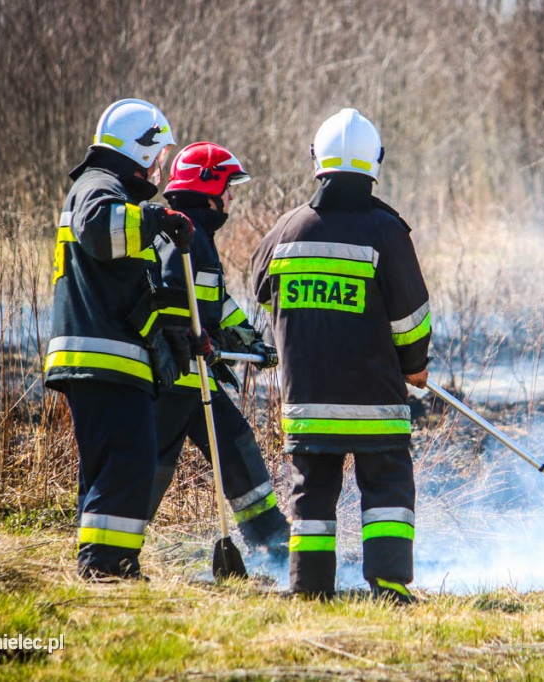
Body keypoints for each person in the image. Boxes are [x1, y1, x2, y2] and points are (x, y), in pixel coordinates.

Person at [250, 108, 432, 603]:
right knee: (388, 489)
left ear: (317, 160)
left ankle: (308, 588)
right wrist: (414, 363)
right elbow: (411, 315)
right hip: (374, 399)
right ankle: (389, 586)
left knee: (311, 494)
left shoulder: (285, 231)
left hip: (308, 401)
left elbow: (261, 289)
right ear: (375, 161)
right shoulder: (387, 232)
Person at [44, 98, 195, 580]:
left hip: (105, 357)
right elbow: (99, 231)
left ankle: (108, 564)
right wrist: (157, 220)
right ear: (139, 147)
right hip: (101, 359)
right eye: (158, 152)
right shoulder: (99, 187)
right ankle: (107, 567)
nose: (161, 164)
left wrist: (183, 340)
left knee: (113, 466)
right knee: (129, 460)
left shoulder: (111, 191)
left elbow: (132, 290)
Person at [148, 141, 289, 556]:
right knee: (155, 461)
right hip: (174, 377)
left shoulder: (197, 235)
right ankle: (117, 540)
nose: (232, 196)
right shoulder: (182, 235)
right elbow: (174, 302)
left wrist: (252, 342)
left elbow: (214, 305)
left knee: (236, 443)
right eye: (229, 186)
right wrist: (198, 343)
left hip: (195, 376)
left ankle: (270, 535)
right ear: (207, 186)